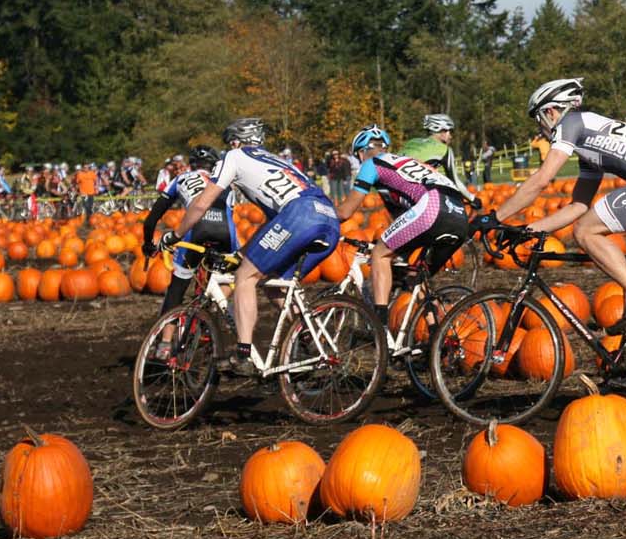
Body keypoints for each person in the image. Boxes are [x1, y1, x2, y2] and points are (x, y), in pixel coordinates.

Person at [487, 77, 626, 335]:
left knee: (585, 232)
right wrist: (527, 229)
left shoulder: (571, 123)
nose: (540, 129)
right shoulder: (590, 141)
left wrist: (494, 217)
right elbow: (577, 206)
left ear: (551, 111)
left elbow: (541, 181)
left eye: (539, 119)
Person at [160, 118, 339, 377]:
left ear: (235, 142)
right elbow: (275, 223)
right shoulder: (278, 161)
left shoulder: (233, 156)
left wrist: (175, 235)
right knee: (275, 284)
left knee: (245, 276)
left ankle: (243, 354)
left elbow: (201, 204)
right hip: (328, 218)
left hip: (299, 215)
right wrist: (241, 253)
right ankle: (314, 346)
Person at [334, 125, 472, 337]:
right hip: (459, 214)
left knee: (380, 254)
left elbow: (345, 212)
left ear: (361, 152)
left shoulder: (371, 164)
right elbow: (401, 218)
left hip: (432, 207)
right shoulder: (406, 163)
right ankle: (438, 338)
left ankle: (380, 330)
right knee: (415, 277)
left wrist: (323, 216)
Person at [143, 146, 238, 357]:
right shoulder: (226, 183)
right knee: (233, 278)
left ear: (191, 165)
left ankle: (165, 344)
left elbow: (151, 219)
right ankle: (211, 308)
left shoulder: (181, 178)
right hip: (225, 235)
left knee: (176, 288)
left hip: (195, 232)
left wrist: (148, 243)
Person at [401, 114, 474, 198]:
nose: (450, 136)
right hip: (411, 192)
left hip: (391, 184)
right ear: (441, 131)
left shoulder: (412, 141)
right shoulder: (445, 149)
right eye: (448, 131)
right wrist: (473, 199)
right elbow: (455, 181)